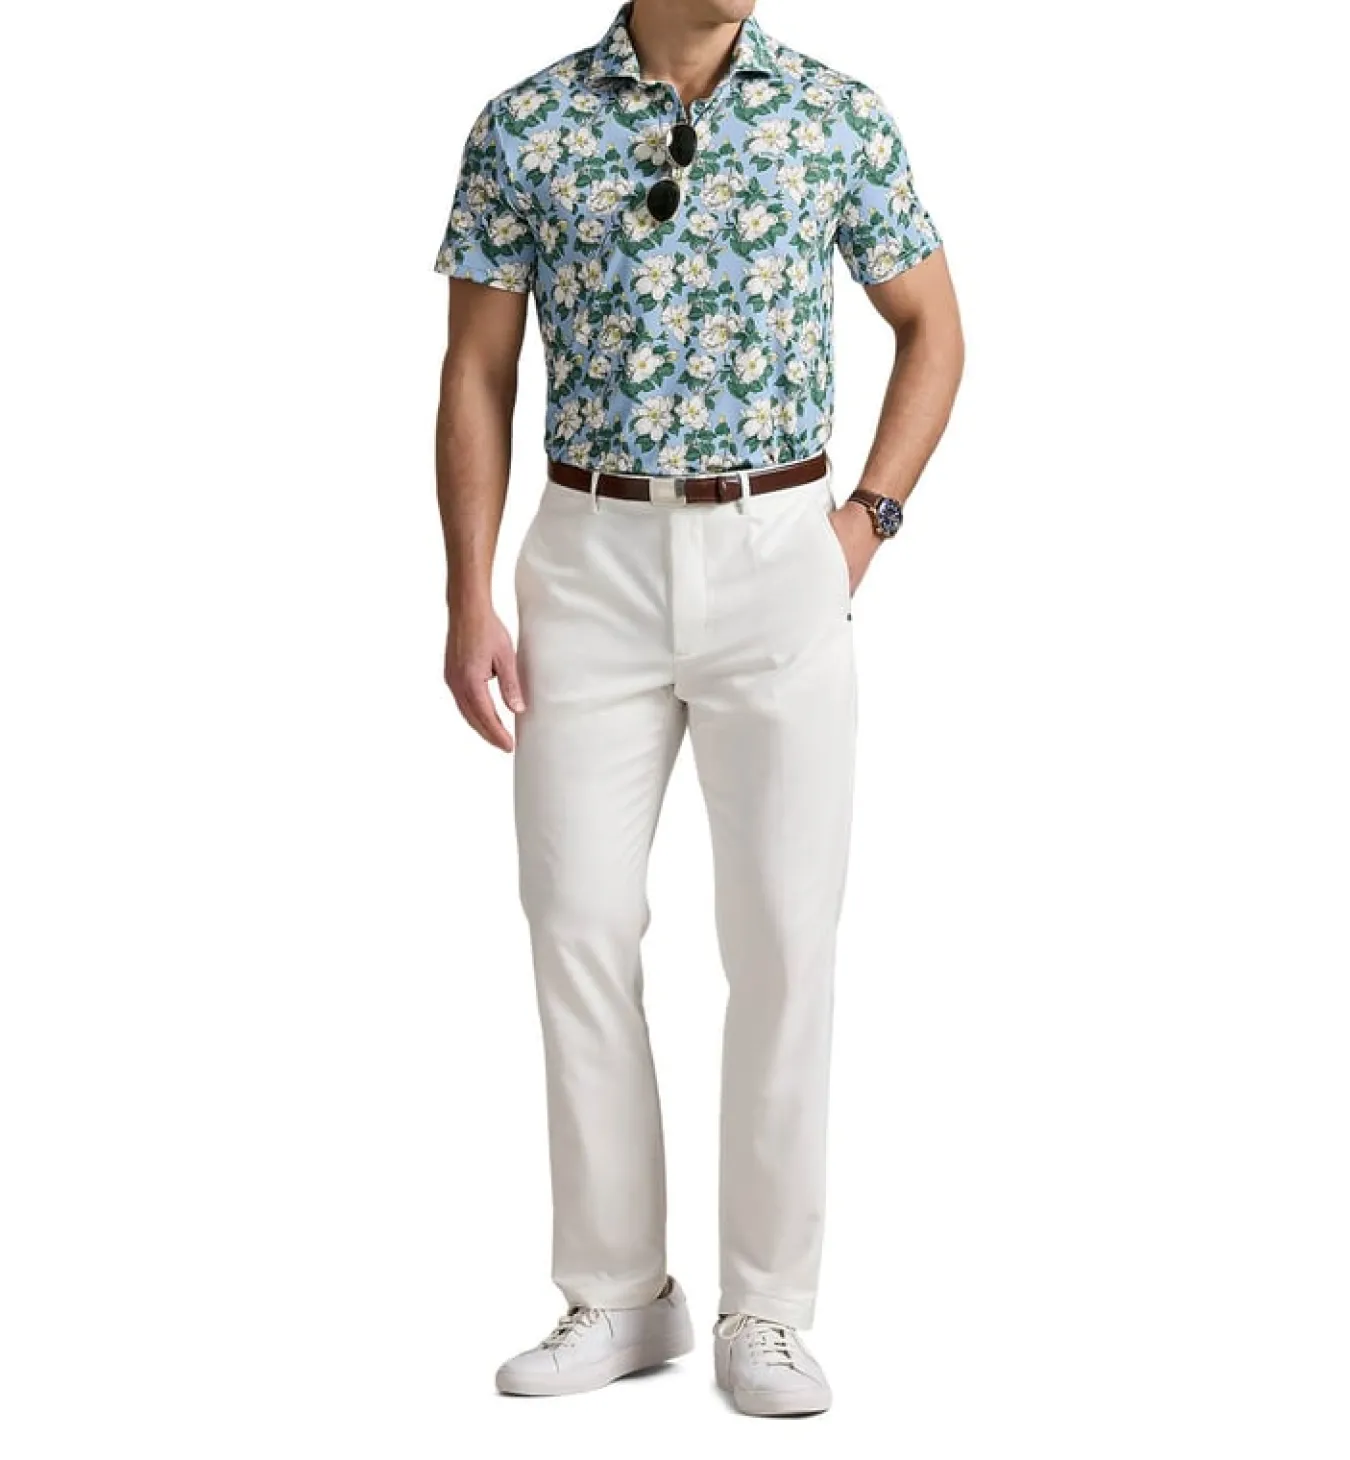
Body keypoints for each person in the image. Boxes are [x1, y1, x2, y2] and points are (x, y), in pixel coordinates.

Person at [432, 0, 962, 1417]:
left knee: (785, 936)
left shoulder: (835, 116)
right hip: (587, 559)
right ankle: (620, 1294)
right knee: (578, 922)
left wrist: (866, 523)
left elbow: (933, 327)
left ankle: (767, 1310)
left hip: (779, 548)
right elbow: (477, 368)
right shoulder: (526, 125)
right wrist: (468, 595)